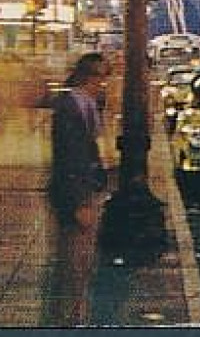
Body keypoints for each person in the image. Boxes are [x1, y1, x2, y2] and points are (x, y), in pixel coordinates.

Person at [46, 52, 111, 326]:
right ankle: (69, 322)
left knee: (78, 264)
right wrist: (79, 203)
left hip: (81, 191)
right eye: (102, 79)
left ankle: (73, 316)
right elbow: (70, 157)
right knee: (73, 264)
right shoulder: (71, 107)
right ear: (90, 78)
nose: (104, 85)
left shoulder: (84, 105)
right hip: (73, 196)